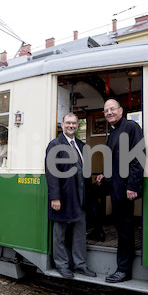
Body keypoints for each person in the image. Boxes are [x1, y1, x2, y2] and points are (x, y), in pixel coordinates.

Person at [96, 99, 145, 283]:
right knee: (120, 228)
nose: (109, 112)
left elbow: (138, 156)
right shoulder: (114, 131)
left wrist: (133, 186)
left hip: (125, 189)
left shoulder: (131, 127)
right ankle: (122, 268)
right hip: (116, 187)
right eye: (106, 110)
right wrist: (104, 175)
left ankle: (123, 270)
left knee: (125, 230)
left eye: (112, 109)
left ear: (121, 110)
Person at [45, 113, 96, 279]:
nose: (71, 126)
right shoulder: (55, 144)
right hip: (63, 198)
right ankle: (62, 265)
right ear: (62, 124)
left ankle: (80, 265)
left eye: (74, 123)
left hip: (80, 198)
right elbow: (51, 173)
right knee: (59, 234)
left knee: (80, 234)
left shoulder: (81, 145)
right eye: (68, 123)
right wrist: (55, 198)